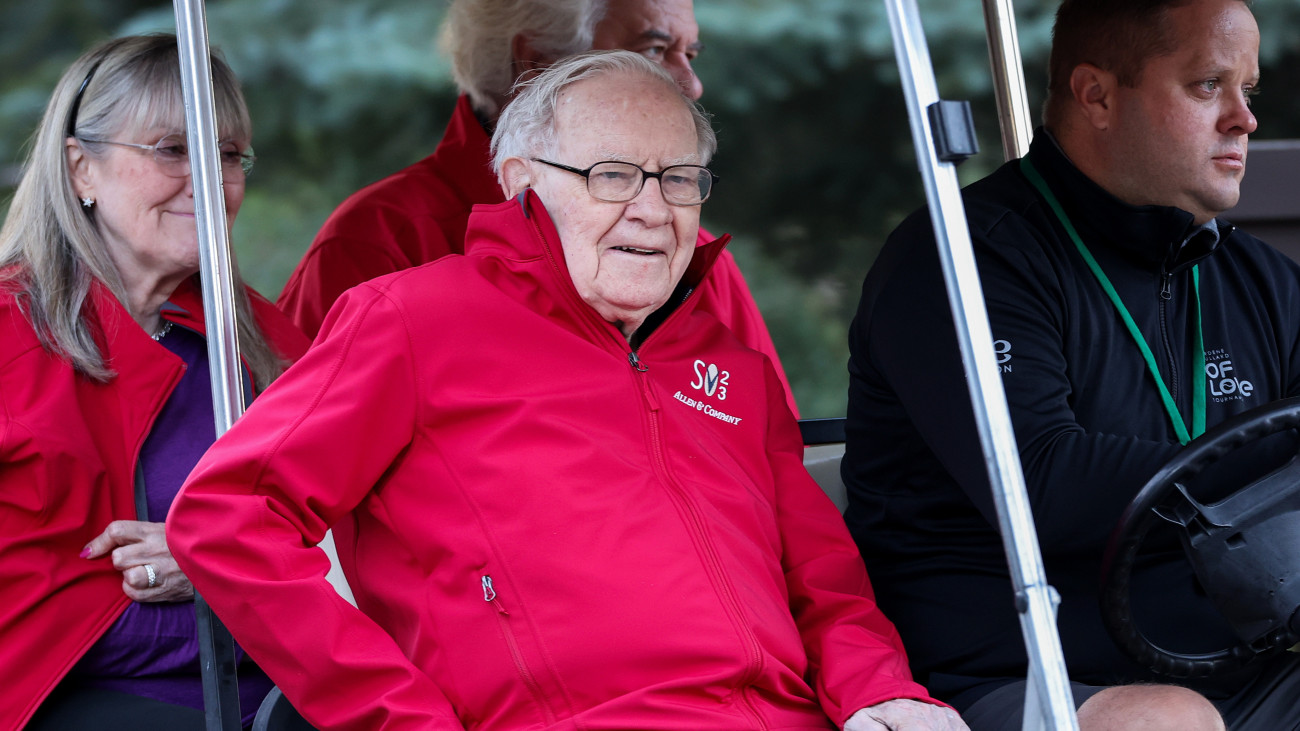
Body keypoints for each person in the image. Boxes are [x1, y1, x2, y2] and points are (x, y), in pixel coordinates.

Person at [168, 51, 966, 731]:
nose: (652, 209)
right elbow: (229, 514)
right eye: (613, 175)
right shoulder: (414, 319)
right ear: (519, 182)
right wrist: (399, 715)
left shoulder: (729, 367)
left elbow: (823, 580)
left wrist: (881, 689)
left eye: (680, 179)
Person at [842, 0, 1300, 729]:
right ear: (1097, 95)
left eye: (1249, 90)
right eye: (1208, 85)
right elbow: (1041, 482)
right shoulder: (966, 259)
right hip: (1018, 674)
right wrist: (1277, 451)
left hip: (1248, 654)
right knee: (1168, 722)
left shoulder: (1261, 279)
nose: (1243, 118)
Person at [275, 0, 799, 416]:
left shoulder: (692, 256)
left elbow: (777, 459)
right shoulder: (382, 241)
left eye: (692, 55)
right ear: (535, 64)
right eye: (656, 50)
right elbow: (286, 483)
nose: (691, 83)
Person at [0, 34, 309, 729]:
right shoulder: (8, 331)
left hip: (273, 681)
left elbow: (347, 522)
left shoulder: (262, 338)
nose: (209, 178)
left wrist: (213, 550)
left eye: (229, 156)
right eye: (174, 148)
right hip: (63, 692)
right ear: (82, 169)